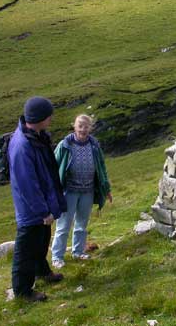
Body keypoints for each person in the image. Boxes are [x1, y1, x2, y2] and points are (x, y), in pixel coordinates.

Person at [8, 96, 67, 302]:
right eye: (48, 115)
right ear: (39, 117)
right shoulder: (22, 145)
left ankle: (42, 271)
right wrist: (43, 211)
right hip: (32, 209)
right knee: (26, 249)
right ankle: (22, 291)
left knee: (42, 240)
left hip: (44, 204)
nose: (51, 118)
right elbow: (27, 185)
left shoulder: (37, 135)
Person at [51, 114, 112, 269]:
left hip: (88, 191)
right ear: (74, 127)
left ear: (90, 128)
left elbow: (102, 168)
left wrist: (106, 189)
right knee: (63, 225)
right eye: (80, 126)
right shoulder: (64, 145)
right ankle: (57, 257)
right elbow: (52, 167)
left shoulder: (94, 146)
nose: (83, 129)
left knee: (81, 224)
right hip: (68, 191)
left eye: (86, 126)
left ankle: (78, 252)